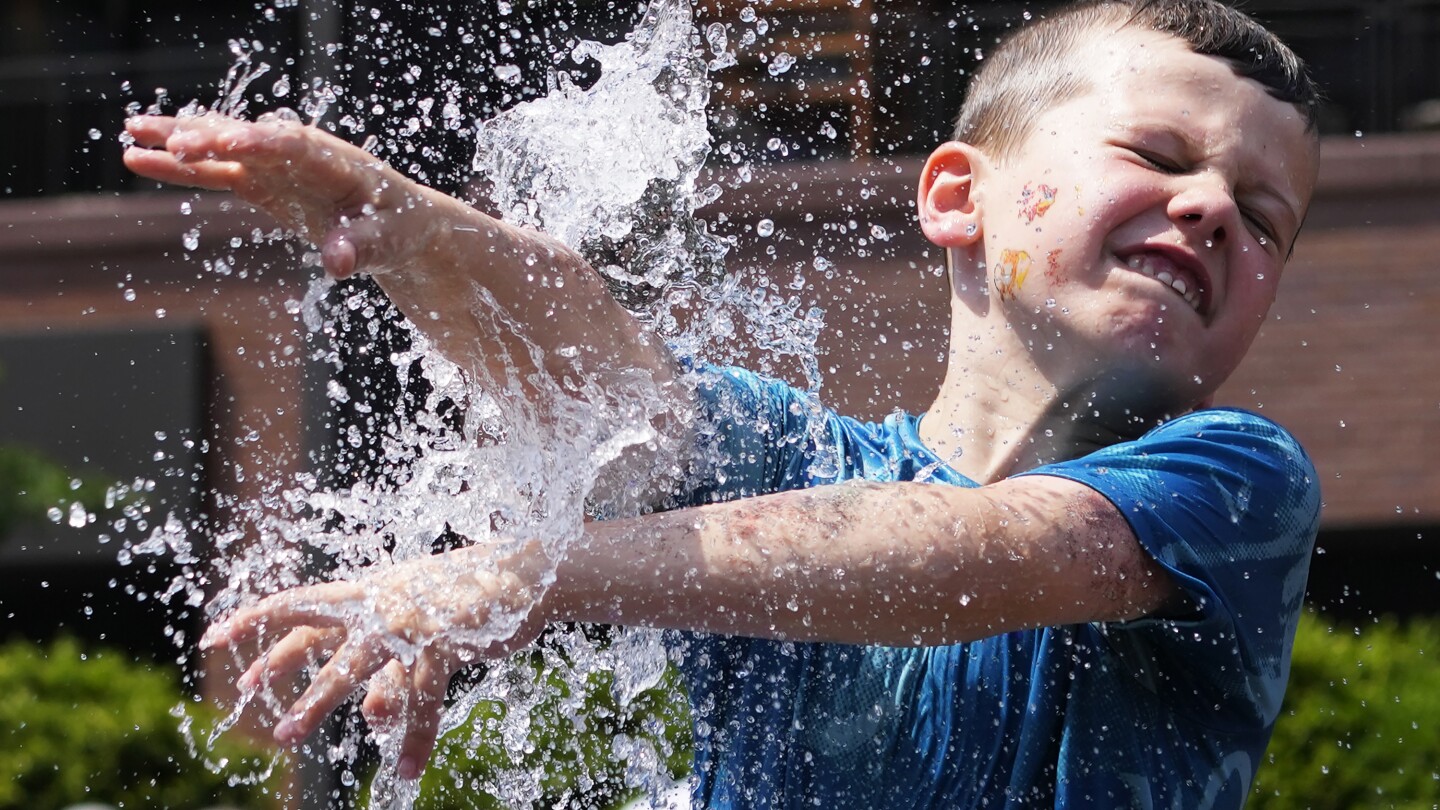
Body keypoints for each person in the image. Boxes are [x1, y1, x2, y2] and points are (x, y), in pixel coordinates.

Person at [123, 0, 1323, 806]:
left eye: (1263, 217)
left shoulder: (1234, 479)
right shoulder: (801, 456)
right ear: (959, 197)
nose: (1214, 206)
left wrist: (524, 573)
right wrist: (420, 234)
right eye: (1160, 157)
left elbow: (980, 556)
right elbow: (600, 384)